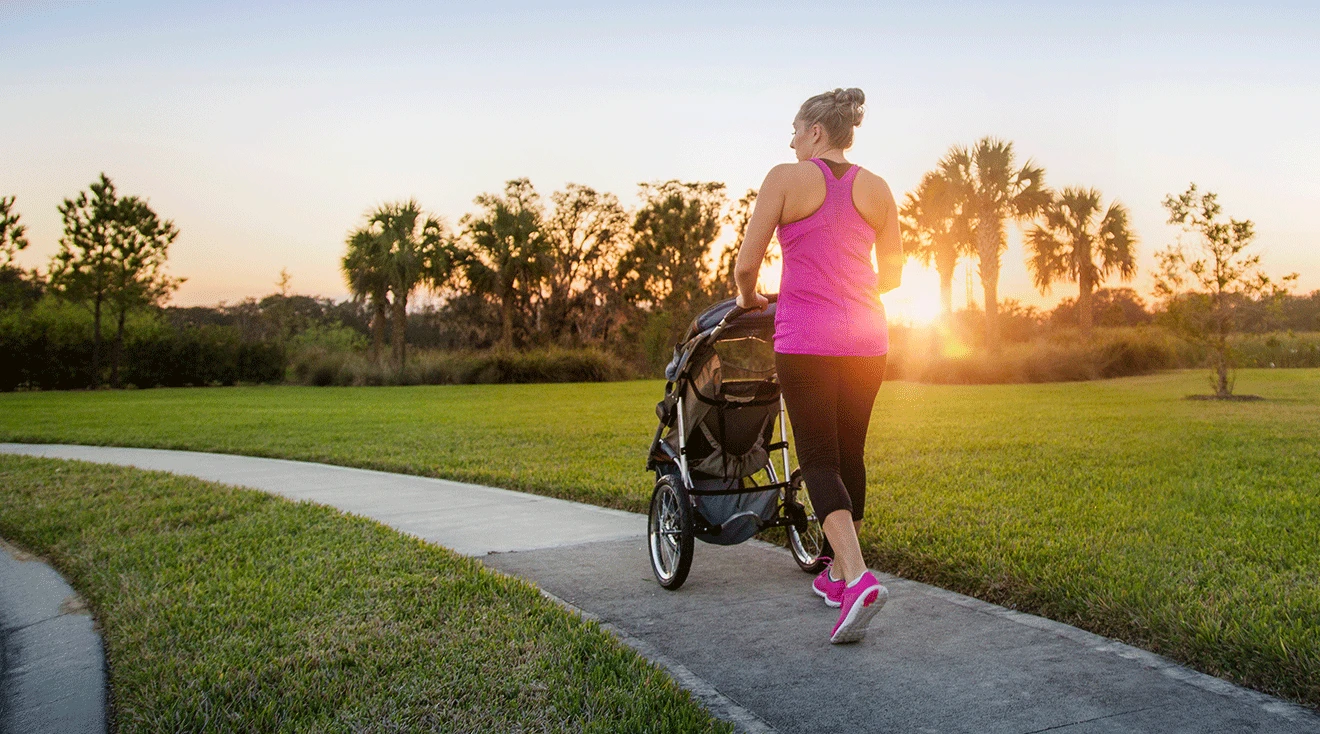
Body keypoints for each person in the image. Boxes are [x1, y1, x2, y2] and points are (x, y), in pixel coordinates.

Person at [733, 87, 902, 644]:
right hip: (868, 340)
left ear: (815, 132)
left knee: (819, 459)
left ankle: (857, 579)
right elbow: (895, 275)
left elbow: (746, 265)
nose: (790, 138)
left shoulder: (785, 177)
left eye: (795, 128)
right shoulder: (877, 188)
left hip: (806, 340)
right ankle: (833, 571)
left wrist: (748, 300)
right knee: (849, 454)